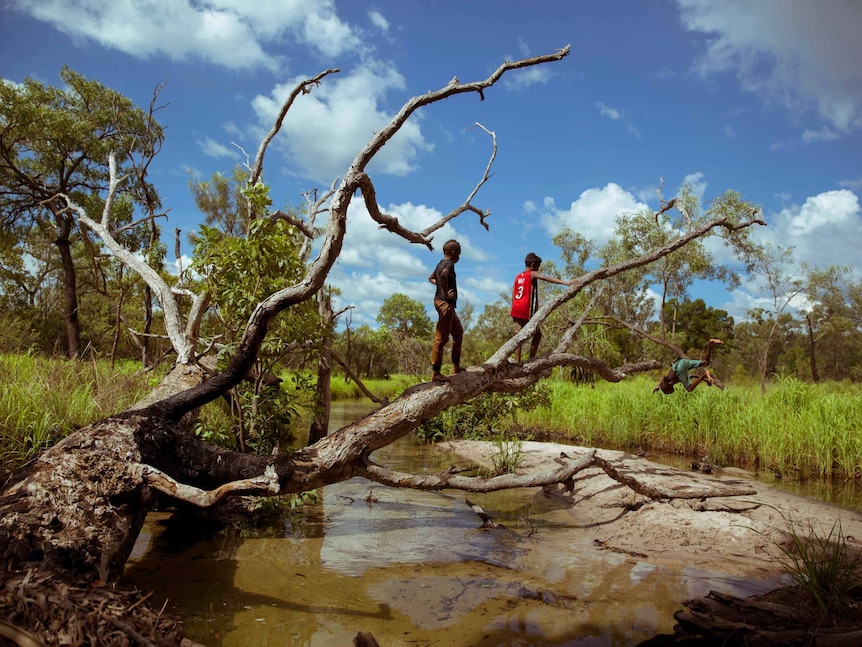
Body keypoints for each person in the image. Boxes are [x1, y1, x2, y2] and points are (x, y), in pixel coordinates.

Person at [510, 252, 575, 362]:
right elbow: (546, 278)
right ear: (533, 264)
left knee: (518, 337)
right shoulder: (531, 274)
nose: (538, 269)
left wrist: (512, 307)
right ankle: (531, 359)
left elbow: (514, 293)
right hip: (526, 310)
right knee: (537, 334)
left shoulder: (518, 276)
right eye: (538, 266)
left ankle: (518, 362)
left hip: (516, 309)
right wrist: (566, 283)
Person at [429, 239, 464, 381]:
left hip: (446, 305)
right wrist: (444, 292)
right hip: (445, 304)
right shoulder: (448, 264)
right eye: (459, 254)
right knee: (441, 338)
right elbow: (443, 275)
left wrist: (442, 285)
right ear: (454, 252)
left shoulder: (440, 263)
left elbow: (431, 278)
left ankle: (456, 366)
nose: (459, 257)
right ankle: (436, 372)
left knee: (458, 332)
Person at [653, 338, 723, 394]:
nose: (669, 393)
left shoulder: (670, 382)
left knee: (689, 389)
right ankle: (710, 345)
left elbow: (663, 378)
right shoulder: (674, 379)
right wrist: (706, 380)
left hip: (678, 368)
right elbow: (693, 375)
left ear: (668, 388)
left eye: (667, 393)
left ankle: (704, 374)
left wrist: (658, 386)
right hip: (681, 362)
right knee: (705, 362)